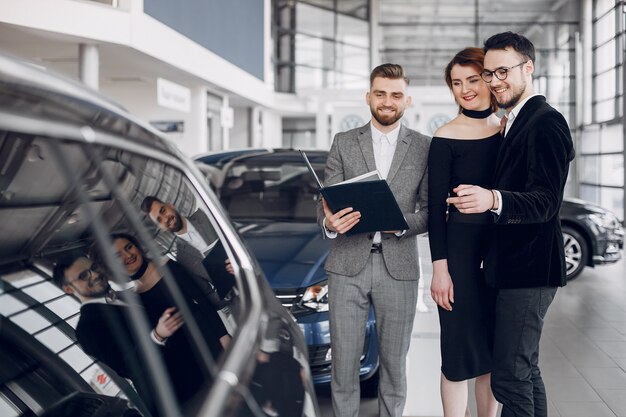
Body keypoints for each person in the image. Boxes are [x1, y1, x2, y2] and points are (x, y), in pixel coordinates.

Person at [447, 32, 575, 417]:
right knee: (524, 371)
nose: (495, 81)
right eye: (489, 74)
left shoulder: (545, 122)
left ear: (528, 68)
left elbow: (547, 202)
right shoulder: (515, 123)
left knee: (508, 377)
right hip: (515, 269)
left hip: (530, 270)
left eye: (503, 71)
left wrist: (493, 198)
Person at [318, 63, 430, 417]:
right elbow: (325, 201)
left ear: (407, 100)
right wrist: (329, 222)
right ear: (368, 97)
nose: (387, 101)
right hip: (346, 266)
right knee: (345, 366)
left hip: (398, 267)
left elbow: (429, 212)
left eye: (395, 94)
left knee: (394, 367)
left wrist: (399, 224)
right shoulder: (343, 142)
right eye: (380, 93)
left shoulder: (425, 147)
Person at [428, 47, 500, 417]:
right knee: (456, 352)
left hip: (501, 256)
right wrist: (440, 269)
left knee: (492, 354)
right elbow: (434, 210)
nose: (465, 89)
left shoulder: (507, 129)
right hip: (458, 258)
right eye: (456, 83)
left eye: (472, 79)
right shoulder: (445, 136)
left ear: (489, 78)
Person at [96, 233, 230, 406]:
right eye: (117, 256)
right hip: (187, 360)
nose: (127, 255)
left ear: (137, 246)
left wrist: (223, 337)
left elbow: (202, 302)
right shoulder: (134, 295)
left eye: (128, 247)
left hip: (208, 340)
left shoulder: (166, 265)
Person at [53, 252, 183, 416]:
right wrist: (157, 336)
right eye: (83, 275)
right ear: (68, 289)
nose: (95, 274)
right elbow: (127, 366)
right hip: (175, 396)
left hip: (195, 369)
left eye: (93, 267)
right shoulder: (86, 329)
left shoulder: (125, 295)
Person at [140, 196, 235, 302]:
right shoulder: (182, 259)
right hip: (241, 303)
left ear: (170, 205)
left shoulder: (206, 214)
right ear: (160, 228)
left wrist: (238, 259)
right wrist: (225, 296)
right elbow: (209, 296)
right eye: (159, 220)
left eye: (163, 211)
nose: (165, 219)